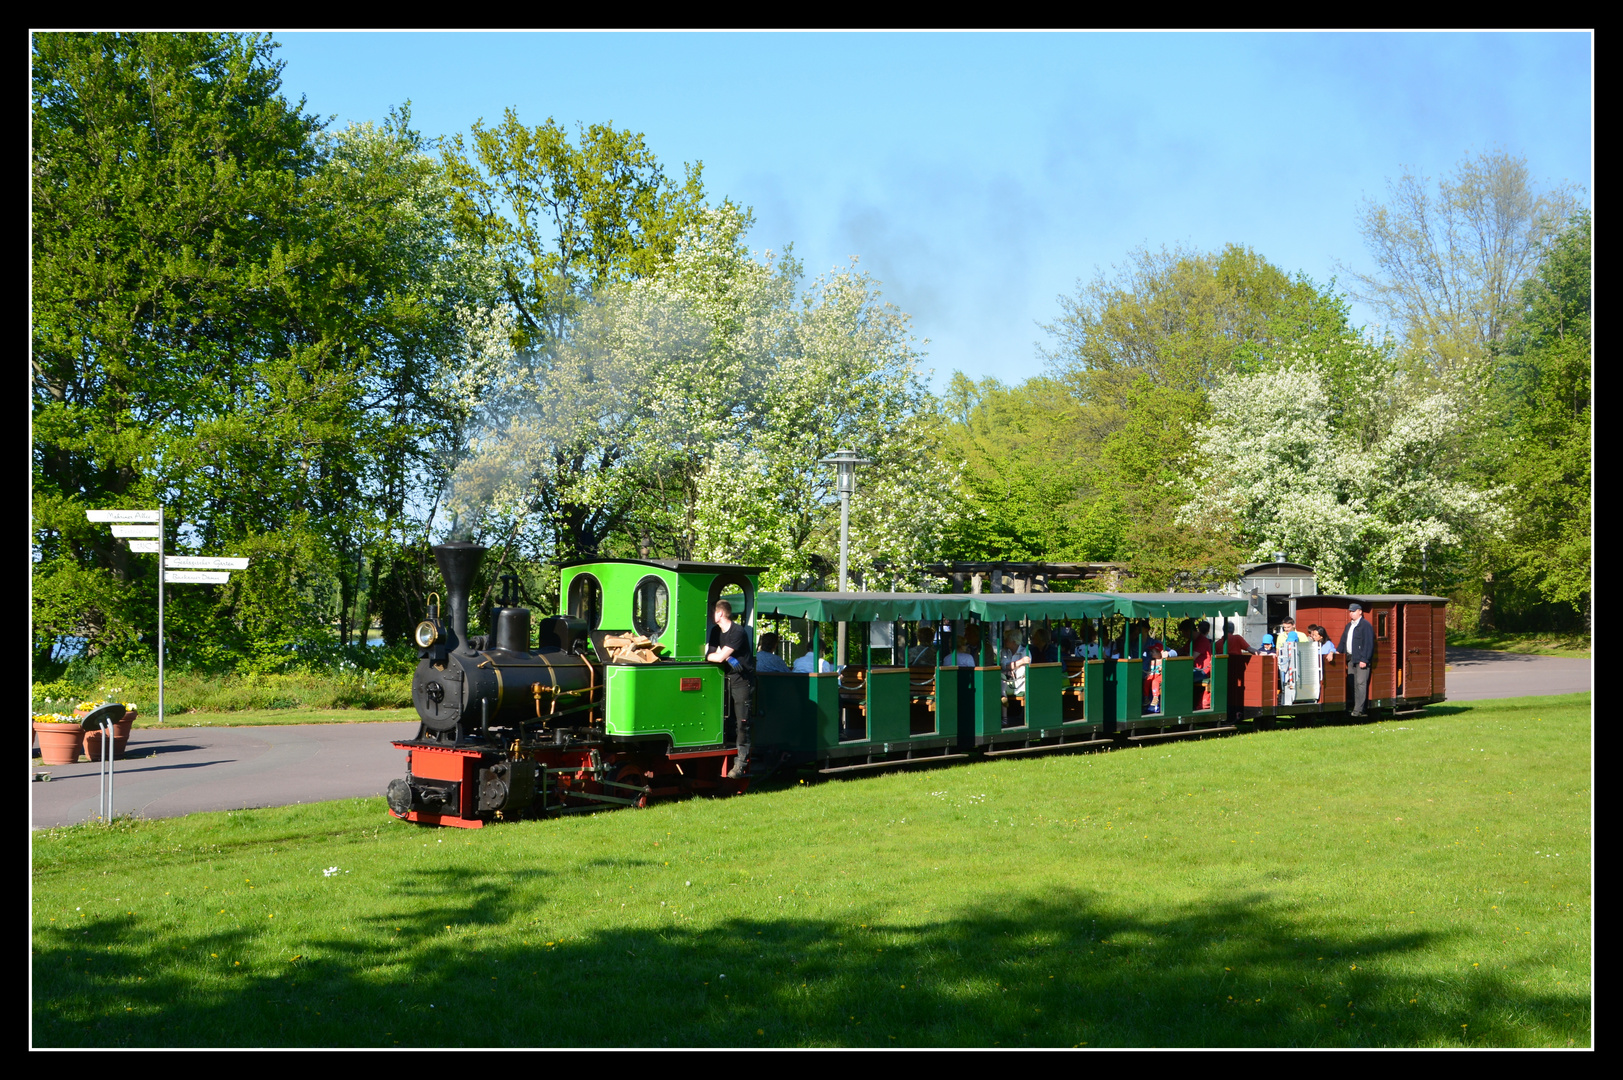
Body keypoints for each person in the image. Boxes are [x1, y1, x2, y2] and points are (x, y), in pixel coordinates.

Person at [706, 601, 755, 777]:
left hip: (742, 680)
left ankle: (741, 762)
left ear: (720, 614)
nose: (711, 615)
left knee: (742, 722)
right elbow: (710, 654)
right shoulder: (715, 631)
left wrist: (721, 656)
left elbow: (717, 656)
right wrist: (725, 658)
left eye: (713, 612)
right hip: (725, 678)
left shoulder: (738, 632)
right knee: (725, 719)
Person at [1339, 602, 1376, 716]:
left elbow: (1369, 644)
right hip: (1350, 658)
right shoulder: (1349, 626)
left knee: (1360, 683)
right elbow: (1343, 641)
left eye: (1353, 611)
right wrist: (1338, 652)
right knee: (1352, 683)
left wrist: (1364, 659)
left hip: (1361, 660)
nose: (1351, 613)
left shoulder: (1365, 625)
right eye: (1350, 611)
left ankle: (1359, 710)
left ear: (1360, 612)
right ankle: (1355, 707)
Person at [1000, 630, 1031, 698]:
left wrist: (1011, 668)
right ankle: (1004, 698)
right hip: (1007, 681)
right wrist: (1021, 661)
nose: (1004, 641)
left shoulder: (1025, 651)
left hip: (1019, 682)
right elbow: (1004, 666)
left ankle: (1020, 692)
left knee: (1022, 669)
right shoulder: (1004, 651)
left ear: (1014, 642)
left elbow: (1025, 669)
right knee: (1001, 676)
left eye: (1006, 639)